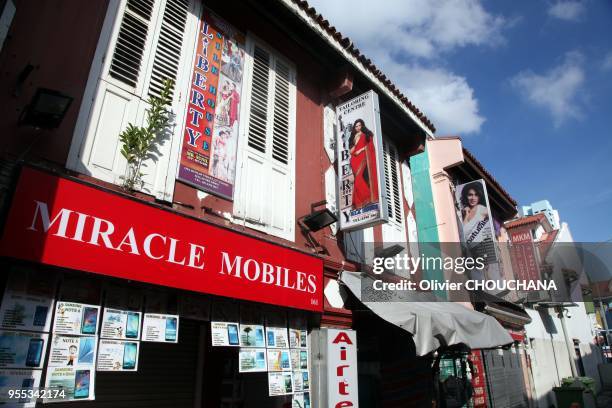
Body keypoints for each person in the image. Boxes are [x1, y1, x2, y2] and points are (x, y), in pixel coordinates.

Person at [348, 119, 379, 209]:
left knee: (358, 178)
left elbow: (368, 146)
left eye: (359, 126)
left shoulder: (365, 135)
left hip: (363, 157)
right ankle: (362, 201)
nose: (358, 127)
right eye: (356, 126)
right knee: (357, 179)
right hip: (354, 159)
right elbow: (351, 151)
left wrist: (361, 150)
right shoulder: (353, 137)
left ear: (362, 126)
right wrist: (355, 148)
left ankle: (367, 197)